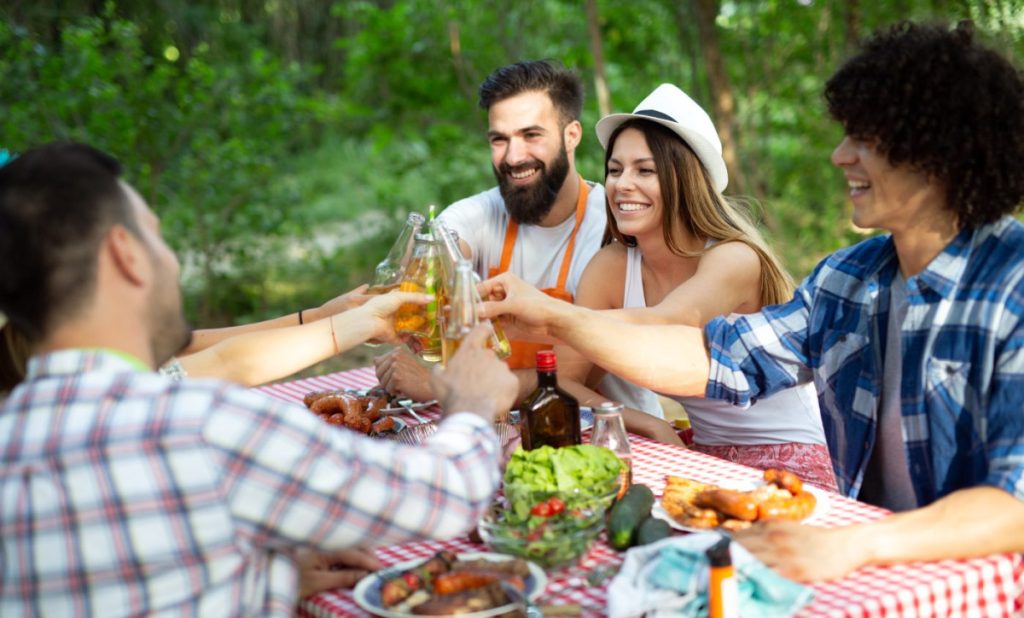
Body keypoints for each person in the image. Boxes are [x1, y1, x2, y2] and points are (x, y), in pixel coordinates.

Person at [478, 20, 1024, 580]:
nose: (840, 156)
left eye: (865, 137)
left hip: (985, 579)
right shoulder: (848, 279)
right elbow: (714, 360)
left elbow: (1016, 505)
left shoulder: (1013, 286)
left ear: (937, 151)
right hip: (888, 562)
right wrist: (553, 316)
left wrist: (854, 545)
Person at [0, 142, 519, 613]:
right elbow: (439, 499)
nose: (171, 263)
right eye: (158, 237)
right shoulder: (201, 427)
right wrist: (471, 406)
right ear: (125, 254)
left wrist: (267, 580)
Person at [551, 84, 834, 488]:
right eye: (615, 170)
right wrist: (646, 422)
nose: (621, 184)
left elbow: (670, 324)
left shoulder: (734, 258)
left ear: (684, 179)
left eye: (644, 170)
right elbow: (563, 380)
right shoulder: (611, 267)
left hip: (791, 454)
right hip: (703, 451)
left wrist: (551, 315)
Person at [375, 59, 610, 401]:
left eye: (531, 135)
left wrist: (433, 385)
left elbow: (569, 376)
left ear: (571, 135)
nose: (513, 157)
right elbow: (436, 255)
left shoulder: (609, 226)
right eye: (499, 140)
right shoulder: (479, 214)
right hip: (504, 424)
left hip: (607, 427)